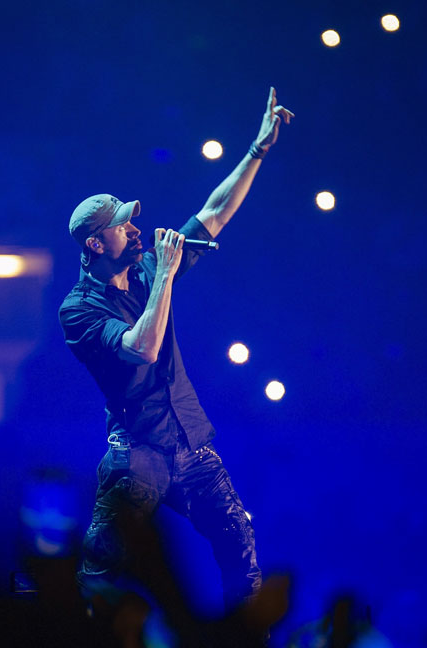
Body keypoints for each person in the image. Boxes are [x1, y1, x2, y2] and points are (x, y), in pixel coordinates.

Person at [59, 88, 294, 613]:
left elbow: (214, 212)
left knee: (238, 540)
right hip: (137, 454)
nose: (135, 229)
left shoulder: (145, 268)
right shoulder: (79, 309)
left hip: (189, 443)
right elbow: (143, 348)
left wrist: (257, 150)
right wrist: (165, 273)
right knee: (103, 567)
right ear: (96, 244)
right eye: (123, 225)